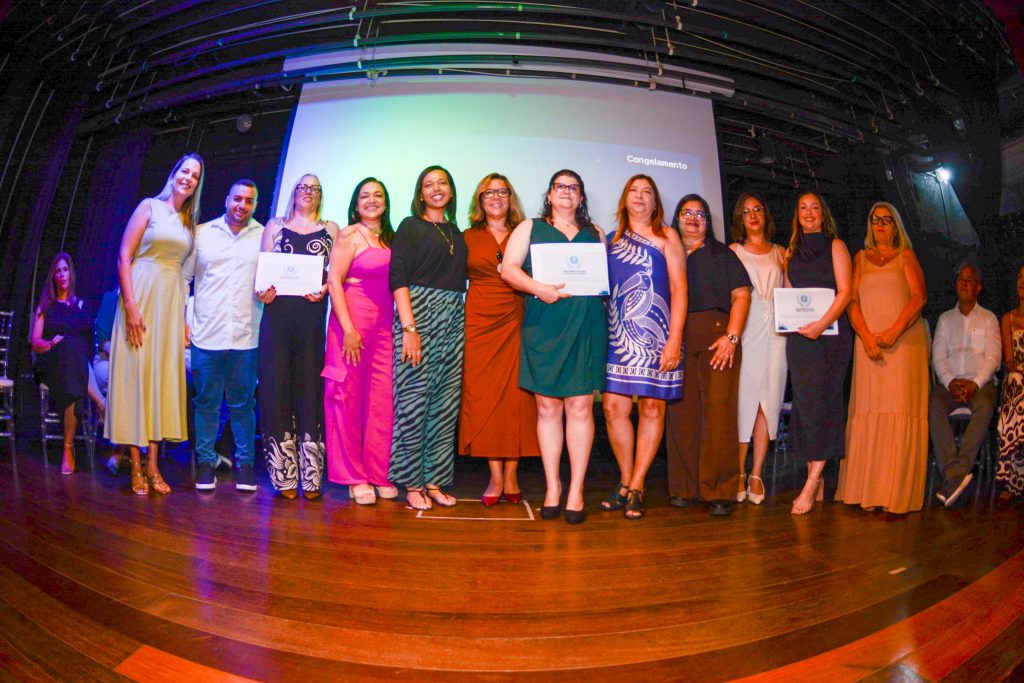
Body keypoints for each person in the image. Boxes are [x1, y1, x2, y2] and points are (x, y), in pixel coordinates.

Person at [502, 169, 607, 525]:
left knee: (580, 406)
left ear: (581, 197)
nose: (566, 192)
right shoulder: (529, 227)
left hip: (586, 325)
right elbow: (508, 270)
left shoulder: (596, 233)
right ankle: (553, 486)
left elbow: (603, 280)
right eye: (560, 186)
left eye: (573, 187)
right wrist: (539, 289)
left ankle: (576, 489)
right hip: (544, 325)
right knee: (547, 408)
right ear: (549, 194)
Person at [106, 153, 204, 496]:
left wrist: (183, 320)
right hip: (141, 295)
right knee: (137, 378)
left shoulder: (189, 222)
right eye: (185, 171)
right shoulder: (149, 206)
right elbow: (124, 256)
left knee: (161, 382)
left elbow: (184, 276)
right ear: (174, 174)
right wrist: (131, 306)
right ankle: (135, 465)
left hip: (170, 303)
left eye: (195, 175)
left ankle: (153, 464)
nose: (188, 178)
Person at [601, 175, 685, 519]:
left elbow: (679, 288)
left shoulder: (667, 236)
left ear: (655, 203)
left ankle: (637, 485)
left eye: (646, 192)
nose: (639, 196)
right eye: (633, 191)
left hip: (658, 335)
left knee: (652, 409)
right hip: (616, 335)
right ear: (625, 199)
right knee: (613, 409)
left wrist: (674, 339)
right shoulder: (609, 240)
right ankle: (625, 481)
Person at [837, 202, 928, 513]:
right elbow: (851, 301)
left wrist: (893, 332)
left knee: (898, 410)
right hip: (868, 347)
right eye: (875, 219)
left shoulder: (906, 256)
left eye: (886, 220)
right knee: (868, 408)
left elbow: (919, 297)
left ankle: (894, 495)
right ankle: (867, 491)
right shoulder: (860, 258)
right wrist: (866, 336)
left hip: (903, 347)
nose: (880, 224)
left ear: (896, 226)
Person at [665, 194, 751, 517]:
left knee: (719, 413)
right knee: (681, 414)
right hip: (677, 339)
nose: (692, 218)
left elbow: (741, 296)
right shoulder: (666, 253)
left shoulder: (723, 254)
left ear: (707, 221)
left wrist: (732, 337)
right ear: (677, 218)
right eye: (686, 213)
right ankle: (684, 488)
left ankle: (718, 490)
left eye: (699, 214)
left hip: (719, 340)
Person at [389, 165, 468, 511]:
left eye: (442, 183)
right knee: (413, 402)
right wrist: (410, 329)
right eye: (428, 184)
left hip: (453, 317)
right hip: (417, 315)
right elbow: (398, 277)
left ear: (451, 191)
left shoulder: (457, 232)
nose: (436, 189)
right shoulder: (410, 226)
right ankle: (411, 483)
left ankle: (434, 481)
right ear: (420, 194)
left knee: (444, 405)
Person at [459, 173, 540, 505]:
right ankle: (495, 476)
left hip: (517, 318)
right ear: (480, 200)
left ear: (511, 198)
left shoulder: (526, 232)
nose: (495, 197)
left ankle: (512, 475)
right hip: (479, 322)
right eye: (488, 193)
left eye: (502, 192)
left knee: (516, 399)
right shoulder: (467, 236)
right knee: (484, 398)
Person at [258, 173, 338, 500]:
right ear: (294, 192)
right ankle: (285, 477)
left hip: (311, 319)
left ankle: (312, 477)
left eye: (315, 187)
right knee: (276, 391)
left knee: (309, 391)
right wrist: (262, 291)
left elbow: (336, 274)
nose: (308, 191)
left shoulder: (331, 229)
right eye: (303, 186)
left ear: (320, 194)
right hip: (277, 318)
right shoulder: (275, 226)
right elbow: (262, 274)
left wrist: (325, 288)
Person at [185, 179, 264, 492]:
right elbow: (184, 280)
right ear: (227, 200)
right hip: (207, 334)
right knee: (206, 402)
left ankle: (245, 465)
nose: (242, 205)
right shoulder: (202, 233)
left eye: (249, 201)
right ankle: (205, 463)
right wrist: (182, 323)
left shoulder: (264, 236)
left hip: (246, 335)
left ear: (255, 205)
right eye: (237, 199)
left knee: (243, 404)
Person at [323, 178, 398, 505]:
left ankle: (378, 473)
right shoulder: (349, 235)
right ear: (356, 204)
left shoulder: (391, 239)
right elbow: (334, 282)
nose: (371, 200)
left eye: (377, 195)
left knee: (382, 402)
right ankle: (353, 477)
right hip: (351, 324)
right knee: (347, 398)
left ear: (386, 202)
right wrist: (349, 329)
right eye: (365, 196)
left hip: (384, 328)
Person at [783, 192, 853, 515]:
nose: (809, 213)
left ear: (823, 214)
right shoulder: (791, 252)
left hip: (831, 338)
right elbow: (788, 295)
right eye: (803, 208)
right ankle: (818, 476)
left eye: (814, 208)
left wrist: (821, 324)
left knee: (825, 405)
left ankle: (810, 484)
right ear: (797, 215)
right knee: (807, 408)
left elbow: (845, 292)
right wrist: (791, 324)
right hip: (800, 341)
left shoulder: (836, 246)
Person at [729, 193, 787, 505]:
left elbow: (791, 294)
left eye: (758, 209)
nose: (753, 215)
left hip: (777, 331)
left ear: (765, 215)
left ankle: (756, 473)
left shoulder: (781, 252)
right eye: (746, 211)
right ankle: (738, 471)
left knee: (769, 399)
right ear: (740, 218)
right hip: (747, 327)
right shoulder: (733, 251)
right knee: (744, 400)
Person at [930, 264, 999, 507]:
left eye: (970, 280)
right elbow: (938, 356)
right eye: (961, 279)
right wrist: (950, 381)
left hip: (979, 384)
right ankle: (956, 474)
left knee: (985, 406)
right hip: (951, 383)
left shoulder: (989, 318)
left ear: (978, 287)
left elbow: (994, 358)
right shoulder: (945, 319)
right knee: (934, 405)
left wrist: (975, 384)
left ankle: (953, 476)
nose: (964, 283)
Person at [31, 253, 103, 474]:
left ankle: (67, 450)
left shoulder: (81, 306)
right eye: (58, 271)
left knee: (74, 351)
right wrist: (51, 344)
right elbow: (35, 342)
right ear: (53, 276)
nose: (62, 275)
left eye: (65, 270)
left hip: (74, 365)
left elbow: (89, 344)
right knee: (70, 347)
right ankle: (102, 404)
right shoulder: (45, 306)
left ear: (71, 273)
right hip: (51, 362)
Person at [997, 264, 1024, 504]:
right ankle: (1010, 481)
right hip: (1017, 379)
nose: (1022, 281)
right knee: (1017, 385)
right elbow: (1009, 360)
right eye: (1020, 277)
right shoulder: (1008, 319)